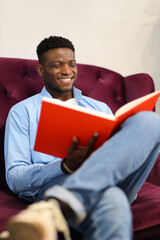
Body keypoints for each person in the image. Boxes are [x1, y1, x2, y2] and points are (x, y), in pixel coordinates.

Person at [1, 36, 160, 240]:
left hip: (114, 178)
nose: (67, 71)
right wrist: (65, 166)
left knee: (151, 121)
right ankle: (66, 197)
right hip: (60, 183)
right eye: (57, 65)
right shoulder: (23, 112)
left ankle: (61, 203)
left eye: (71, 64)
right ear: (41, 70)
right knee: (112, 198)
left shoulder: (99, 108)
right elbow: (15, 178)